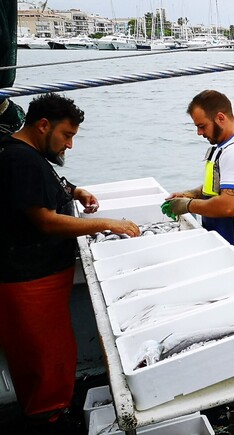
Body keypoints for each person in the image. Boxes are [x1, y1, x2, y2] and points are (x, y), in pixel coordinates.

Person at [0, 93, 140, 429]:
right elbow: (45, 220)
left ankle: (52, 410)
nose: (70, 145)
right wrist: (108, 223)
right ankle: (48, 419)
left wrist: (74, 190)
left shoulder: (25, 152)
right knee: (44, 359)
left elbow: (40, 186)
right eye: (67, 135)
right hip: (29, 281)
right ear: (43, 125)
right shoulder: (18, 160)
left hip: (41, 277)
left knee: (55, 354)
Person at [164, 90, 234, 274]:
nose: (199, 133)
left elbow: (229, 206)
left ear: (220, 118)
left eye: (202, 126)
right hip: (230, 243)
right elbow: (222, 187)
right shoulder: (225, 147)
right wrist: (192, 193)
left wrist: (188, 205)